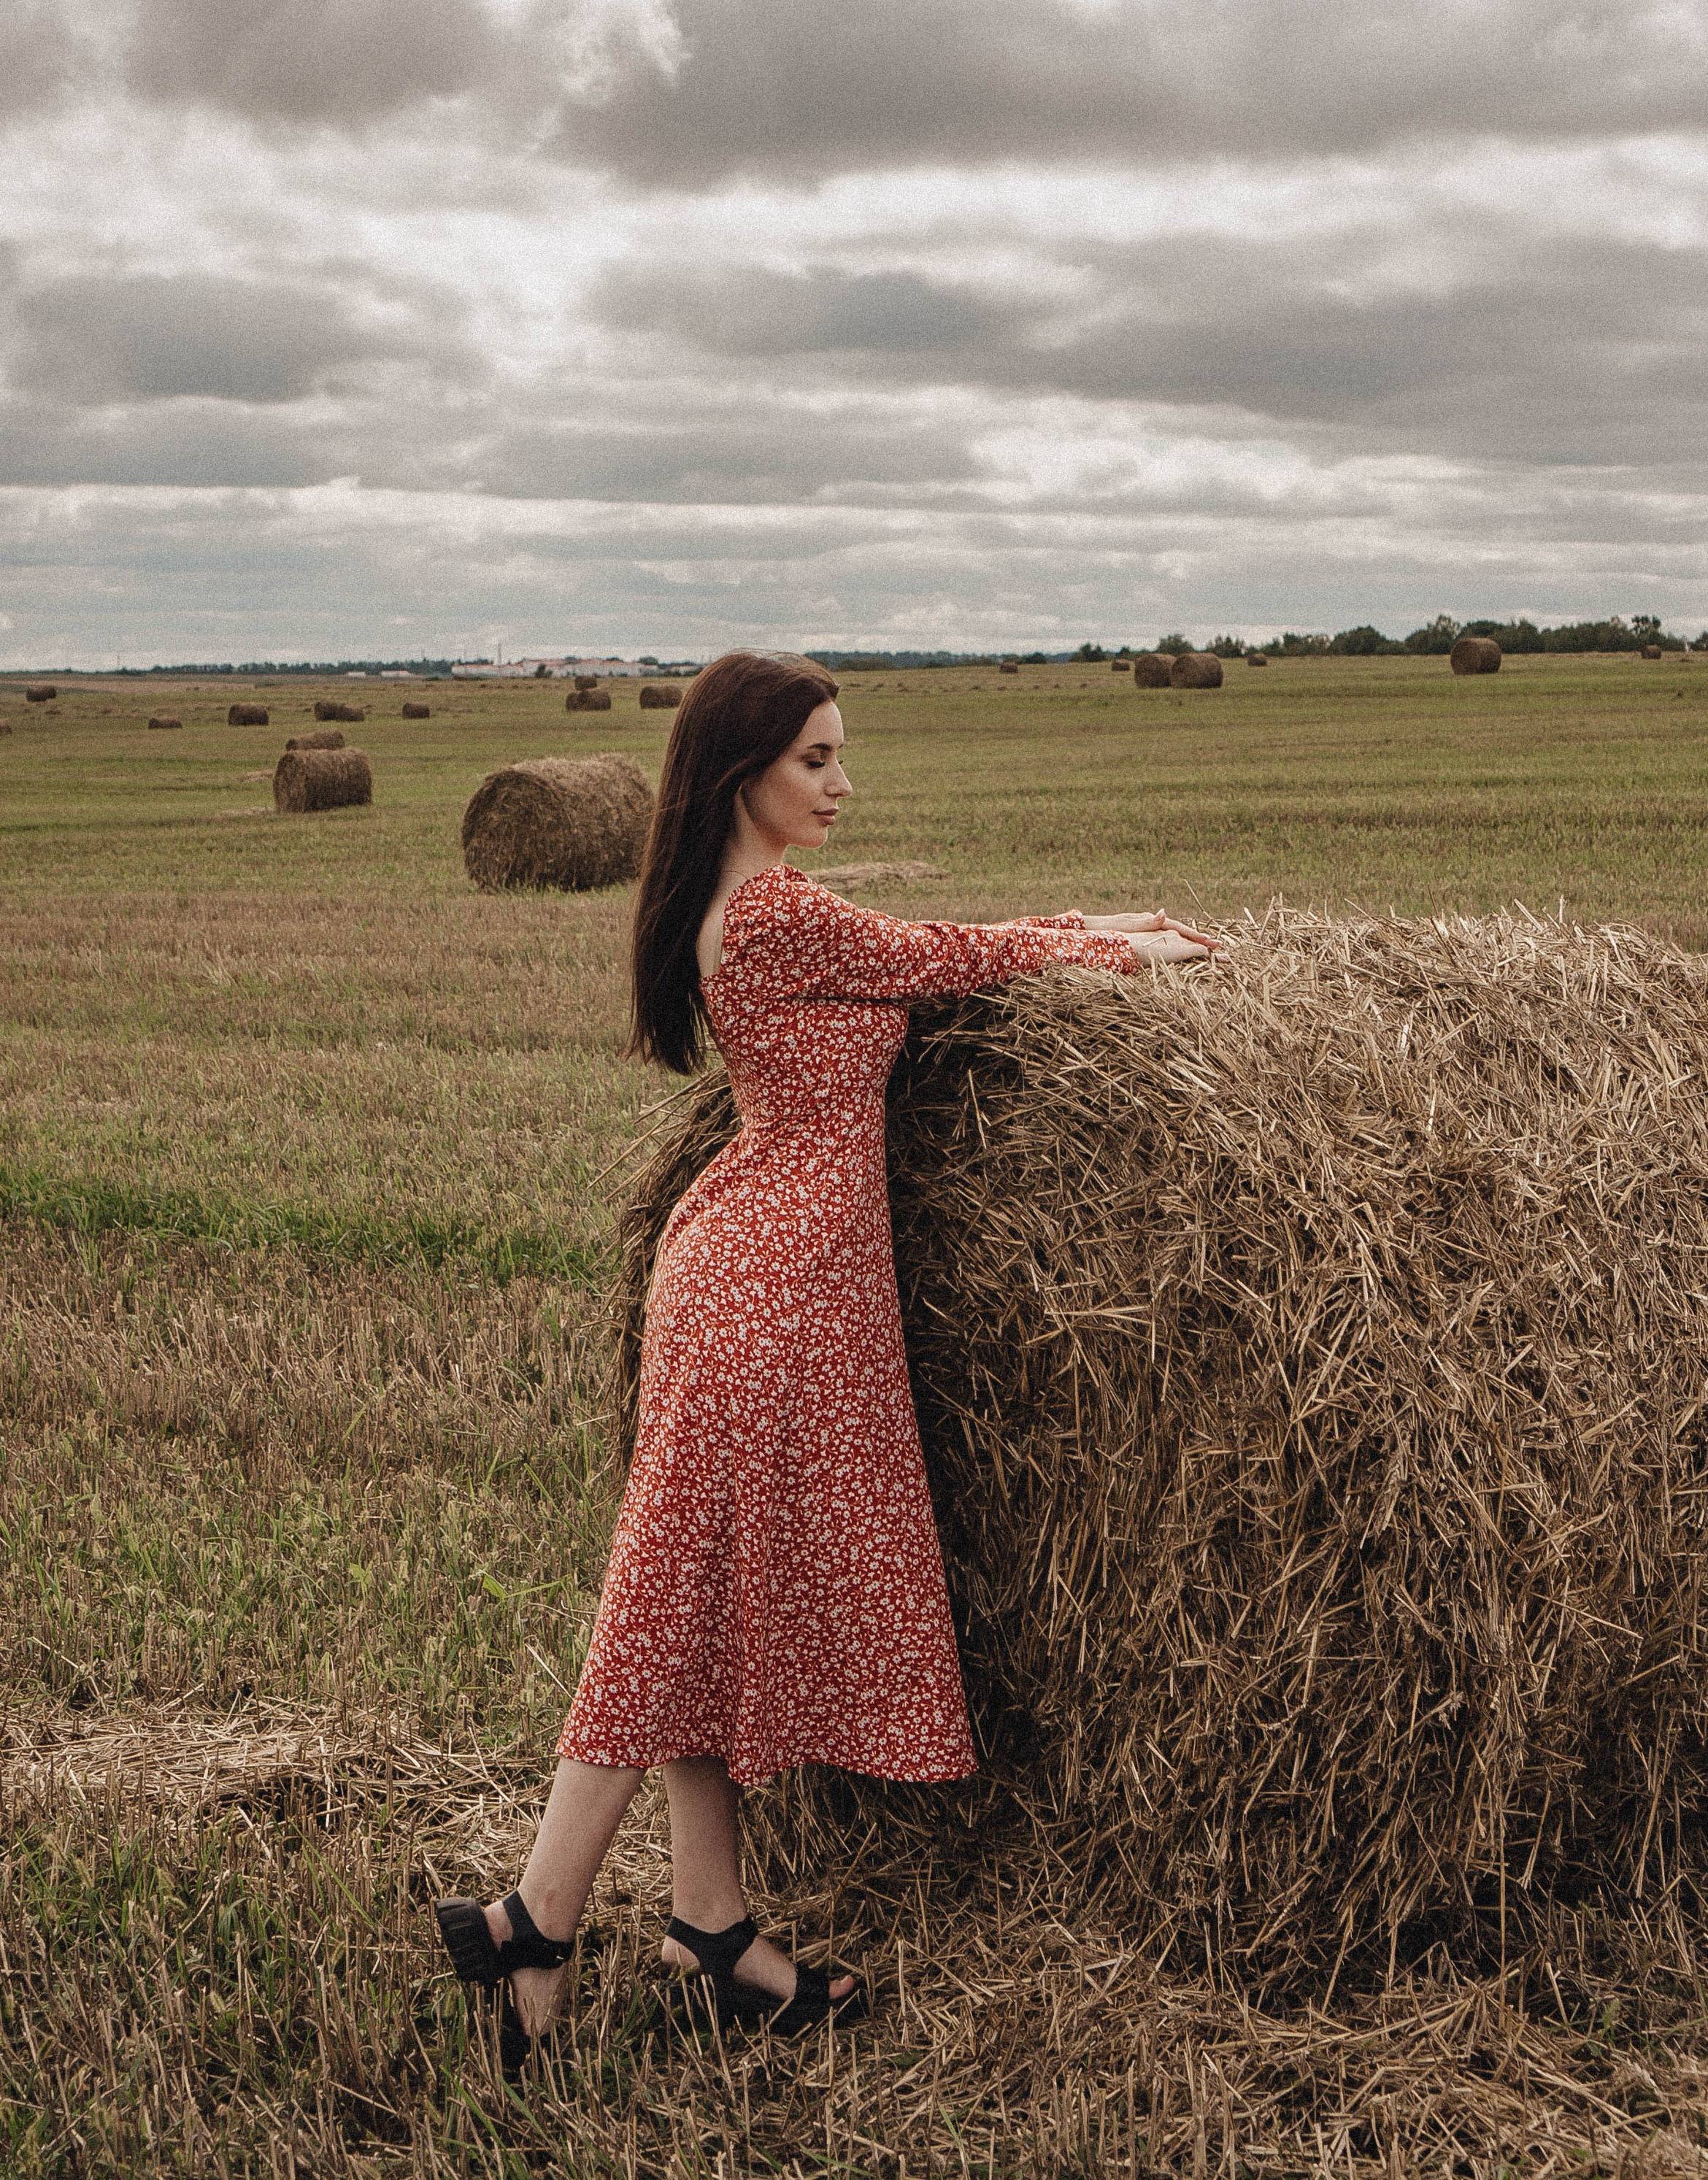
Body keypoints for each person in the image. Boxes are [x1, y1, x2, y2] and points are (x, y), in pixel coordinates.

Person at [436, 650, 1220, 2068]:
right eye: (815, 760)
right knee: (669, 1609)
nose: (841, 783)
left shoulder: (741, 905)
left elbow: (925, 954)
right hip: (768, 1291)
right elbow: (945, 958)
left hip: (757, 1271)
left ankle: (710, 1929)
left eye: (840, 755)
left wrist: (1089, 919)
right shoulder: (780, 912)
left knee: (702, 1599)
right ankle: (533, 1917)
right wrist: (1113, 943)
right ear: (741, 769)